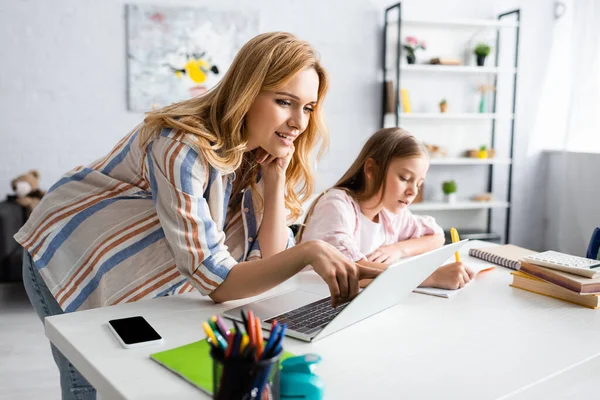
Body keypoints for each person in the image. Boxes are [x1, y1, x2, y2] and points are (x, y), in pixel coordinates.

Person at [15, 32, 381, 400]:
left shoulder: (260, 153)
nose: (298, 123)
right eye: (285, 102)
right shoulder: (180, 145)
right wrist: (308, 250)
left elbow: (271, 258)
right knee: (90, 383)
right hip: (68, 252)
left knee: (130, 378)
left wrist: (274, 181)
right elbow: (216, 279)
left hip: (133, 270)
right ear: (247, 91)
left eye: (308, 108)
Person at [300, 127, 474, 289]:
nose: (412, 191)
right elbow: (349, 270)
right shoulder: (336, 205)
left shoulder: (389, 213)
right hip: (310, 299)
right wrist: (431, 277)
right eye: (405, 178)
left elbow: (436, 236)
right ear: (371, 169)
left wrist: (398, 249)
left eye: (419, 184)